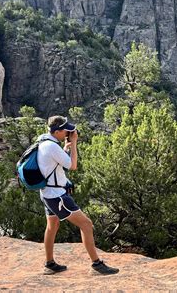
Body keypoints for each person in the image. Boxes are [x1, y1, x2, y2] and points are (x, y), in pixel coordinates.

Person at [37, 115, 119, 275]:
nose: (68, 133)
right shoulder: (52, 146)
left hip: (47, 193)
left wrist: (66, 148)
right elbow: (72, 166)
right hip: (57, 195)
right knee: (86, 224)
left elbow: (55, 163)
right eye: (65, 130)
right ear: (58, 131)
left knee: (52, 226)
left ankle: (49, 264)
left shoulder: (44, 142)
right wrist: (73, 144)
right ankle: (96, 265)